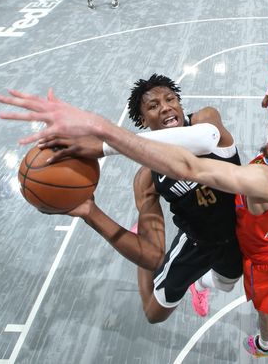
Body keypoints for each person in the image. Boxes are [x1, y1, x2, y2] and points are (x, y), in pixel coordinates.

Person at [0, 91, 268, 358]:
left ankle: (266, 333)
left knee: (230, 286)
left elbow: (191, 168)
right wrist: (91, 209)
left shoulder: (267, 179)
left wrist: (100, 132)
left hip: (253, 249)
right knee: (156, 312)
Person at [39, 75, 242, 320]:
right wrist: (90, 213)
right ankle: (141, 232)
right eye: (153, 106)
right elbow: (152, 256)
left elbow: (204, 139)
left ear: (180, 104)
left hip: (241, 232)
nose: (166, 106)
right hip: (198, 242)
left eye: (170, 99)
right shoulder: (146, 179)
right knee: (154, 314)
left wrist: (106, 144)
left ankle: (198, 286)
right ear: (143, 120)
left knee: (227, 282)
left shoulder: (206, 120)